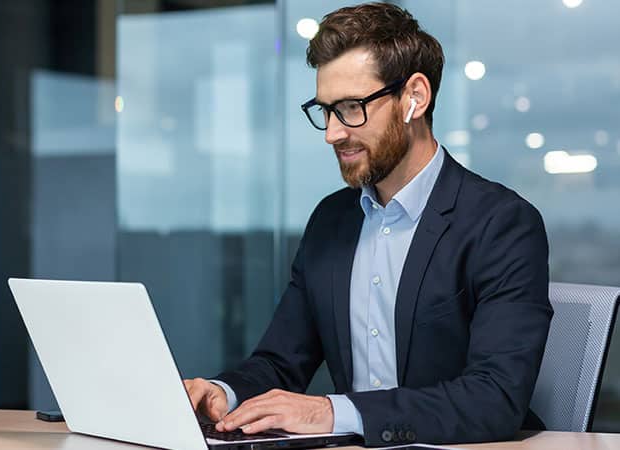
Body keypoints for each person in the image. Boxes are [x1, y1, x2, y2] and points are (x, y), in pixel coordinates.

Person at [185, 2, 552, 446]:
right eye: (325, 110)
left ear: (414, 98)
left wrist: (333, 410)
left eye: (351, 107)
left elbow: (494, 398)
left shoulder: (502, 224)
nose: (332, 133)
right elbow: (280, 363)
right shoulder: (331, 221)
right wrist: (221, 393)